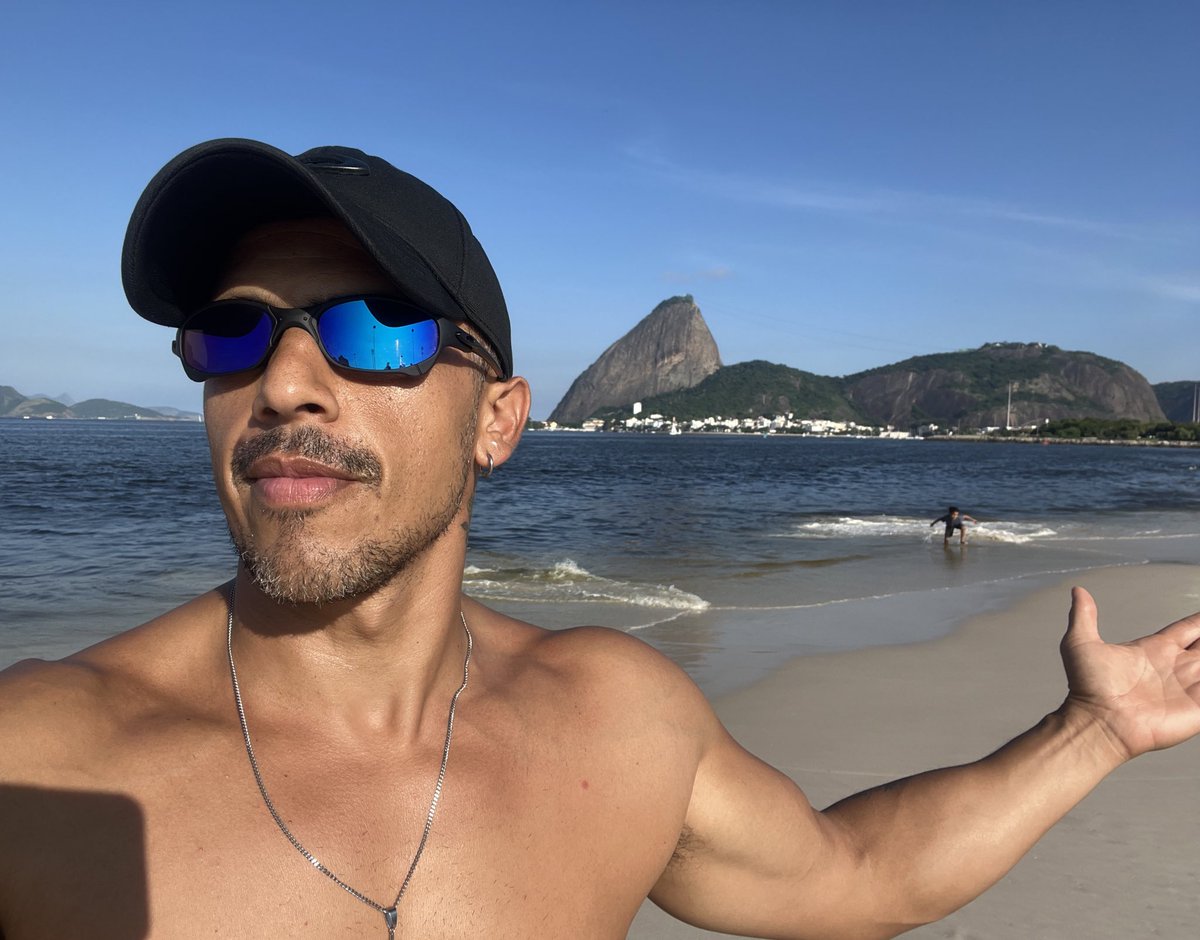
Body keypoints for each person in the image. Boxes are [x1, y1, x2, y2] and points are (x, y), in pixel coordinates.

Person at [0, 139, 1197, 940]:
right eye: (231, 334)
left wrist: (1094, 731)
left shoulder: (618, 723)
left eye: (375, 326)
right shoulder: (41, 767)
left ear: (499, 421)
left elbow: (856, 876)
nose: (282, 384)